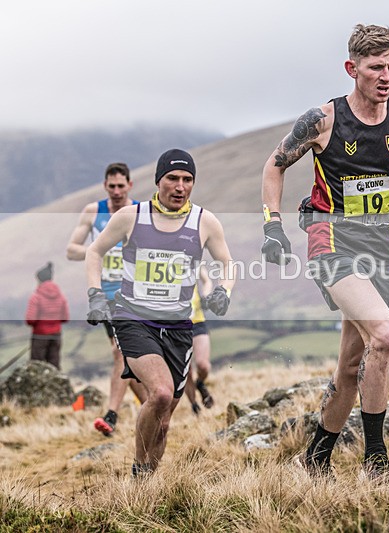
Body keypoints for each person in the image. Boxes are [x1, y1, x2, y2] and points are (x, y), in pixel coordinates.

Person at [260, 24, 389, 478]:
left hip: (380, 249)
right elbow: (274, 165)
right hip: (331, 244)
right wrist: (272, 226)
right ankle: (376, 460)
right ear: (352, 69)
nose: (386, 76)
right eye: (376, 67)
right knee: (385, 335)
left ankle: (316, 457)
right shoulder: (323, 121)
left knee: (352, 363)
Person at [85, 148, 236, 475]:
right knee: (161, 393)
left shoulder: (204, 221)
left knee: (164, 421)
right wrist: (96, 294)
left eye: (187, 179)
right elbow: (94, 252)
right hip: (134, 320)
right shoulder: (131, 217)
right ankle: (138, 468)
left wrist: (224, 290)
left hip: (179, 327)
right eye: (172, 179)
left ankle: (146, 485)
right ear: (158, 181)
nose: (180, 186)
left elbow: (227, 262)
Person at [66, 162, 147, 436]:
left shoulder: (139, 212)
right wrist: (99, 248)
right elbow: (71, 249)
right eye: (111, 186)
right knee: (123, 353)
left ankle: (120, 412)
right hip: (105, 294)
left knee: (123, 353)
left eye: (120, 186)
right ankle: (141, 408)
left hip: (135, 293)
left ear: (130, 186)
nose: (116, 191)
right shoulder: (93, 211)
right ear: (105, 186)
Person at [25, 262, 69, 370]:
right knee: (54, 366)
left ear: (39, 280)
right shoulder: (61, 296)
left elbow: (30, 319)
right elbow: (65, 318)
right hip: (56, 335)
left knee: (36, 367)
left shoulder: (36, 296)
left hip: (39, 335)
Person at [184, 267, 215, 415]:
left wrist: (206, 295)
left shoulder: (192, 256)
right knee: (186, 370)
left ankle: (200, 382)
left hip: (197, 321)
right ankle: (194, 405)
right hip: (177, 324)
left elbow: (207, 280)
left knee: (203, 365)